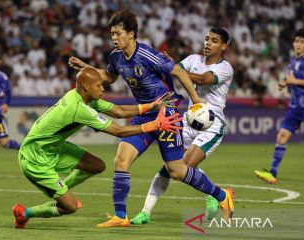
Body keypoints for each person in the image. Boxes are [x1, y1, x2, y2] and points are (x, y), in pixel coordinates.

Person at [69, 10, 234, 227]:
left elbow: (179, 72)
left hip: (167, 114)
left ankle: (221, 196)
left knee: (177, 170)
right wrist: (87, 68)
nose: (114, 38)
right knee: (121, 159)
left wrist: (195, 101)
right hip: (144, 113)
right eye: (112, 34)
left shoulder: (147, 55)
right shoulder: (116, 56)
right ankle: (121, 216)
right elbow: (109, 77)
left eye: (118, 34)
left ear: (131, 34)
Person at [12, 67, 182, 229]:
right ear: (86, 86)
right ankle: (25, 213)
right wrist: (154, 125)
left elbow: (118, 111)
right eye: (99, 85)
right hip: (34, 158)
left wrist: (149, 106)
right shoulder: (77, 108)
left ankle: (61, 189)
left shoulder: (82, 97)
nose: (103, 88)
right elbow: (119, 131)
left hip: (53, 147)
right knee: (70, 207)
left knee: (96, 165)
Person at [130, 27, 234, 225]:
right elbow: (171, 71)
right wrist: (167, 67)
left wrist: (177, 70)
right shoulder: (193, 59)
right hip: (189, 120)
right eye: (206, 39)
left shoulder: (226, 67)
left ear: (223, 46)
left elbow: (204, 79)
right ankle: (145, 212)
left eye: (213, 40)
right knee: (171, 168)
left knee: (183, 167)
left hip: (211, 123)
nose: (207, 43)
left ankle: (217, 193)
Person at [254, 29, 304, 184]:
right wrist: (285, 82)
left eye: (302, 42)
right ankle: (273, 173)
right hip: (295, 107)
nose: (298, 44)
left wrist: (293, 82)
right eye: (296, 41)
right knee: (281, 136)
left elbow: (296, 80)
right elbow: (292, 78)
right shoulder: (293, 60)